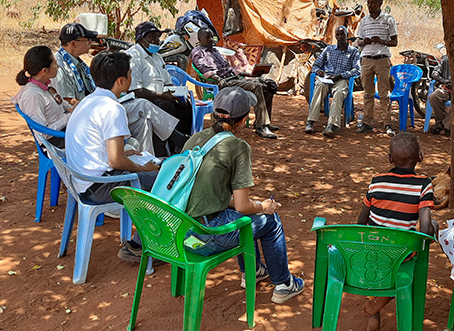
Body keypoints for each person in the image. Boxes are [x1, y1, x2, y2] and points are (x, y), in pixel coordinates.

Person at [183, 87, 305, 304]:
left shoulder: (196, 138)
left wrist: (250, 205)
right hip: (208, 236)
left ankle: (254, 270)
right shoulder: (238, 146)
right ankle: (284, 284)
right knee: (270, 220)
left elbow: (208, 194)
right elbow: (242, 206)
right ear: (242, 121)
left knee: (240, 214)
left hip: (183, 232)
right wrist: (263, 206)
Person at [64, 51, 160, 263]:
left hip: (81, 180)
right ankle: (138, 246)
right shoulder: (112, 108)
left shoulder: (90, 101)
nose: (131, 77)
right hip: (100, 186)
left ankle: (140, 242)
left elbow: (104, 148)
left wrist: (126, 153)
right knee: (166, 183)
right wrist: (142, 168)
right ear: (121, 80)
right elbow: (115, 161)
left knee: (149, 170)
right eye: (130, 73)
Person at [53, 22, 186, 157]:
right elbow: (68, 101)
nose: (90, 42)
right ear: (73, 44)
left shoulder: (79, 63)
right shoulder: (60, 66)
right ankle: (177, 139)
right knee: (143, 104)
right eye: (87, 40)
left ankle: (148, 159)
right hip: (87, 115)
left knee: (143, 122)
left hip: (96, 105)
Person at [357, 132, 434, 331]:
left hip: (372, 250)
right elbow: (425, 230)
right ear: (420, 157)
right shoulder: (423, 185)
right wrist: (434, 230)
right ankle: (385, 297)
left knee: (376, 260)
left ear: (390, 158)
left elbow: (361, 220)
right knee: (413, 262)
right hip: (402, 254)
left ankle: (374, 307)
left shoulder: (376, 181)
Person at [190, 27, 278, 139]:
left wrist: (251, 75)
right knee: (256, 87)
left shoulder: (215, 51)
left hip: (233, 78)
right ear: (199, 39)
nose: (211, 40)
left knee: (268, 86)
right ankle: (261, 127)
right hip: (224, 82)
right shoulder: (198, 52)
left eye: (212, 37)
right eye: (208, 38)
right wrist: (219, 80)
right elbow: (204, 70)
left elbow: (231, 69)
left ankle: (264, 121)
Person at [126, 21, 194, 139]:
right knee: (166, 106)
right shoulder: (134, 57)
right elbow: (135, 90)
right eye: (152, 38)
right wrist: (162, 95)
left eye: (158, 37)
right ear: (141, 39)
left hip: (162, 95)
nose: (157, 41)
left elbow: (167, 81)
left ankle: (184, 141)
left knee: (186, 107)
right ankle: (171, 143)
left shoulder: (157, 57)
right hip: (143, 100)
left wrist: (178, 95)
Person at [11, 46, 74, 146]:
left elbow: (66, 106)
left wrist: (77, 109)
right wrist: (69, 117)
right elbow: (43, 133)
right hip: (55, 141)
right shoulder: (32, 95)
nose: (57, 66)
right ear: (44, 70)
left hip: (64, 131)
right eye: (54, 63)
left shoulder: (46, 86)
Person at [304, 25, 360, 137]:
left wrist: (341, 75)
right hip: (327, 78)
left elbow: (357, 70)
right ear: (335, 36)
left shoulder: (354, 52)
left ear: (347, 35)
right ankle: (310, 122)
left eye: (342, 34)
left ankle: (332, 125)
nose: (340, 37)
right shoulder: (328, 49)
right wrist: (319, 71)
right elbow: (315, 65)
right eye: (337, 35)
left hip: (342, 79)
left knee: (339, 92)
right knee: (319, 86)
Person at [356, 0, 398, 136]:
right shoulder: (364, 21)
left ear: (380, 3)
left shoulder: (388, 20)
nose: (369, 6)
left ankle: (387, 124)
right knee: (368, 93)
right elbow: (358, 41)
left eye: (372, 3)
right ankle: (367, 123)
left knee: (384, 93)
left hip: (382, 59)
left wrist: (381, 41)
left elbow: (395, 42)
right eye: (368, 3)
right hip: (366, 59)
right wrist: (363, 42)